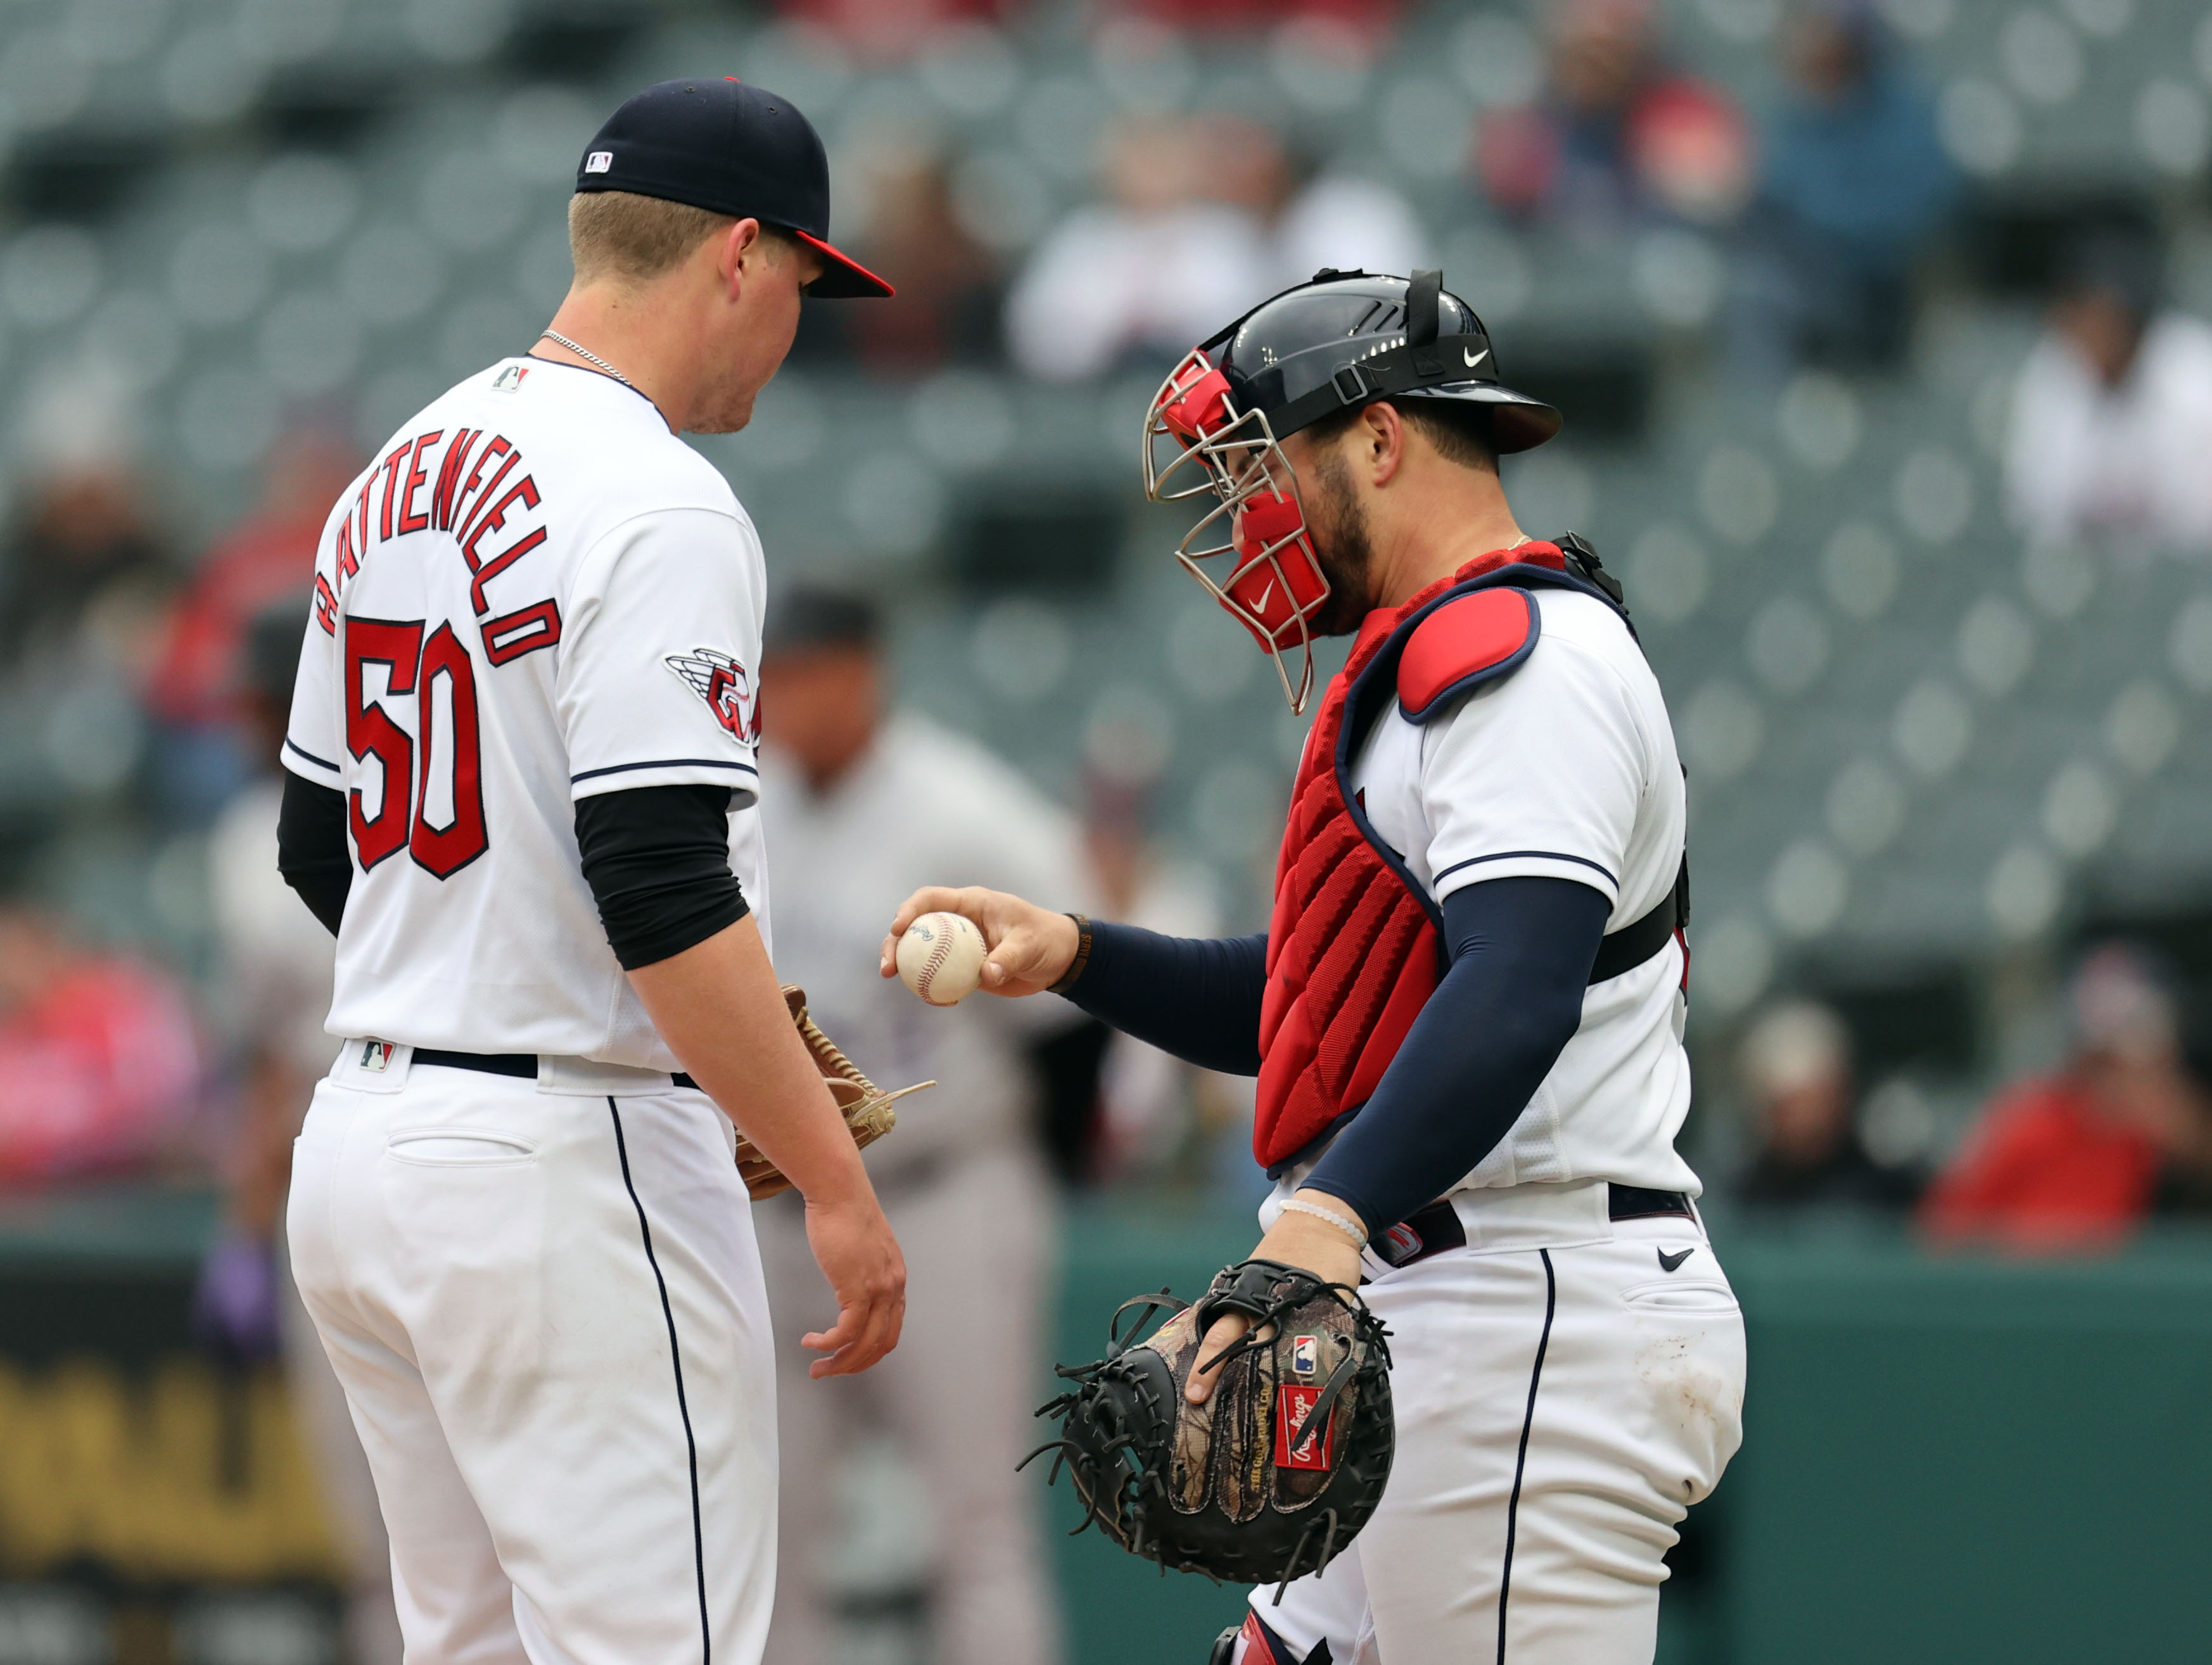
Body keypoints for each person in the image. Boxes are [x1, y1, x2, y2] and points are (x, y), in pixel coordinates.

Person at [884, 267, 1744, 1663]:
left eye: (1266, 464)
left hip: (1532, 1305)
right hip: (1447, 1288)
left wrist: (1323, 1222)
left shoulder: (1524, 659)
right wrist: (1079, 956)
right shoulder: (1442, 659)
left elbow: (1513, 989)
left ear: (1383, 438)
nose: (1250, 515)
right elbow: (1332, 1008)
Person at [274, 79, 907, 1665]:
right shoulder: (657, 494)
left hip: (365, 1141)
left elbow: (315, 840)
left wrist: (486, 970)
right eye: (806, 288)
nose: (796, 328)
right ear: (739, 255)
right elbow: (658, 880)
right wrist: (827, 1174)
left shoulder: (397, 468)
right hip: (565, 1161)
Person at [751, 585, 1089, 1665]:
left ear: (859, 670)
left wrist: (1047, 1178)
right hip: (781, 1209)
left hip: (946, 1194)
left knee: (976, 1527)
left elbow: (1078, 1021)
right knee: (761, 1531)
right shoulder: (743, 802)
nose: (770, 694)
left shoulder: (968, 811)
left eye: (795, 670)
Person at [196, 598, 398, 1665]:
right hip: (326, 1155)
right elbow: (269, 1051)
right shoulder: (241, 837)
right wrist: (243, 1223)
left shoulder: (417, 785)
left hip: (440, 1127)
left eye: (267, 696)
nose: (250, 717)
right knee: (370, 1523)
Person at [1922, 944, 2212, 1251]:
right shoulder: (2031, 1119)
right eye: (2107, 1060)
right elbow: (1941, 1235)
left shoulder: (2162, 1127)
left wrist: (2185, 1135)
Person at [1731, 0, 1955, 376]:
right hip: (1801, 290)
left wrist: (1809, 219)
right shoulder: (1781, 119)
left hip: (1881, 290)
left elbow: (1919, 207)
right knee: (1753, 292)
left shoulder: (1903, 112)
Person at [1005, 120, 1269, 383]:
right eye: (1138, 160)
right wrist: (1117, 328)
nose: (1150, 172)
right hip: (1098, 384)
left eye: (1161, 160)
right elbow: (1036, 333)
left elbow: (1248, 325)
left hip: (1204, 388)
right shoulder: (1080, 238)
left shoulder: (1225, 234)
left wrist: (1165, 321)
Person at [2001, 232, 2212, 555]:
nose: (2088, 329)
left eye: (2100, 312)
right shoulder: (2053, 370)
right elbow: (2036, 509)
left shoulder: (2193, 370)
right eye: (2077, 311)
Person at [1476, 0, 1751, 231]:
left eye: (1611, 46)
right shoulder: (1528, 121)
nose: (1600, 60)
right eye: (1588, 48)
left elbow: (1711, 200)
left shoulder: (1682, 111)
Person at [1734, 997, 1919, 1209]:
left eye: (1814, 1103)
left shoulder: (1889, 1195)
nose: (1805, 1124)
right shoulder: (1741, 1201)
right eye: (1790, 1108)